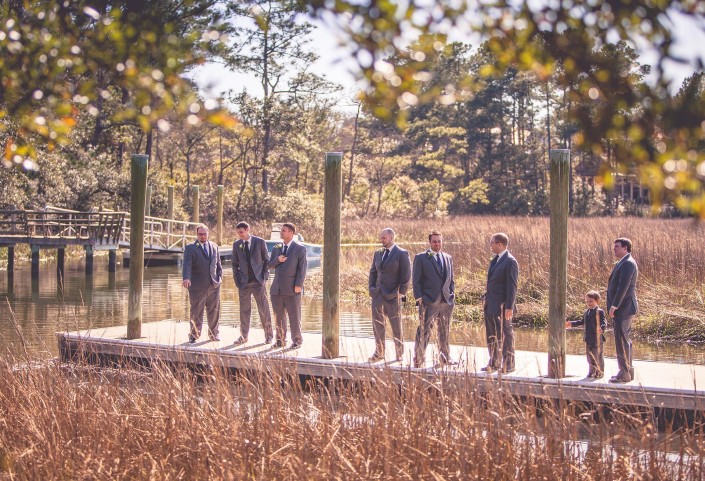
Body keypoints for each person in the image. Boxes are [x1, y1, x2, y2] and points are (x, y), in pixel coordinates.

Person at [412, 231, 455, 368]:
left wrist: (451, 294)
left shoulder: (447, 257)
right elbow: (416, 280)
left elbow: (451, 279)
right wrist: (419, 297)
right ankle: (419, 358)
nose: (437, 244)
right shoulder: (421, 258)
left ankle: (444, 357)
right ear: (430, 242)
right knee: (424, 330)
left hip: (446, 301)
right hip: (428, 301)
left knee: (444, 330)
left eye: (439, 241)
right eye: (435, 241)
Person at [368, 227, 411, 363]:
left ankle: (399, 353)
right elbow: (373, 272)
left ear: (391, 238)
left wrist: (401, 292)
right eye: (381, 238)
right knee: (378, 325)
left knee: (396, 326)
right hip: (378, 295)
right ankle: (379, 352)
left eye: (384, 238)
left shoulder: (402, 254)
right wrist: (371, 288)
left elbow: (406, 275)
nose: (381, 240)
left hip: (393, 295)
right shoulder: (378, 253)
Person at [481, 232, 519, 373]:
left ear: (499, 244)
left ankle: (509, 364)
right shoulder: (495, 260)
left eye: (491, 242)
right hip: (490, 304)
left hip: (503, 306)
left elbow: (512, 286)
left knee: (505, 334)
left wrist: (509, 306)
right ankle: (494, 362)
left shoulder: (510, 261)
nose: (490, 245)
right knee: (491, 334)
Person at [232, 221, 273, 345]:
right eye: (238, 232)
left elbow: (267, 261)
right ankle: (243, 336)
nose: (240, 235)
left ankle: (269, 336)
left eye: (242, 232)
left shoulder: (259, 242)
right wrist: (237, 280)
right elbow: (234, 264)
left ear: (248, 229)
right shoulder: (236, 244)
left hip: (258, 282)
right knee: (244, 310)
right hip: (243, 283)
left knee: (264, 309)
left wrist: (264, 277)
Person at [268, 223, 307, 349]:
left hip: (292, 288)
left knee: (294, 316)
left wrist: (298, 285)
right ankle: (280, 340)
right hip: (277, 289)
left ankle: (297, 340)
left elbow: (302, 269)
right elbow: (269, 265)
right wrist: (277, 260)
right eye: (281, 230)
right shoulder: (276, 248)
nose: (281, 232)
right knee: (278, 317)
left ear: (291, 233)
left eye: (283, 230)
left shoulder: (300, 248)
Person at [182, 224, 222, 343]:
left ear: (208, 234)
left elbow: (218, 264)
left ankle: (214, 334)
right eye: (200, 234)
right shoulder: (190, 248)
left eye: (205, 234)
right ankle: (194, 335)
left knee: (214, 311)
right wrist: (186, 278)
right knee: (196, 311)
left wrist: (219, 278)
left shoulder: (214, 246)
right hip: (197, 286)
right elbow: (187, 265)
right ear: (197, 234)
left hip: (214, 285)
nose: (203, 236)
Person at [606, 237, 638, 383]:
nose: (614, 249)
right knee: (624, 339)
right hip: (623, 307)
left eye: (617, 246)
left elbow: (623, 287)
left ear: (625, 248)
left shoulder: (628, 263)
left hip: (623, 308)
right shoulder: (624, 262)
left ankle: (624, 373)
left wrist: (614, 305)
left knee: (621, 339)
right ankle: (627, 370)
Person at [566, 290, 607, 379]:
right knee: (589, 357)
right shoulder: (587, 312)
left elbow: (604, 321)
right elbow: (582, 322)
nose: (589, 303)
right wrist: (571, 323)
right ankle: (591, 371)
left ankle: (599, 372)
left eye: (591, 301)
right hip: (588, 338)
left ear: (597, 301)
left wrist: (602, 328)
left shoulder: (599, 311)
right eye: (587, 301)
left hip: (597, 338)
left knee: (597, 356)